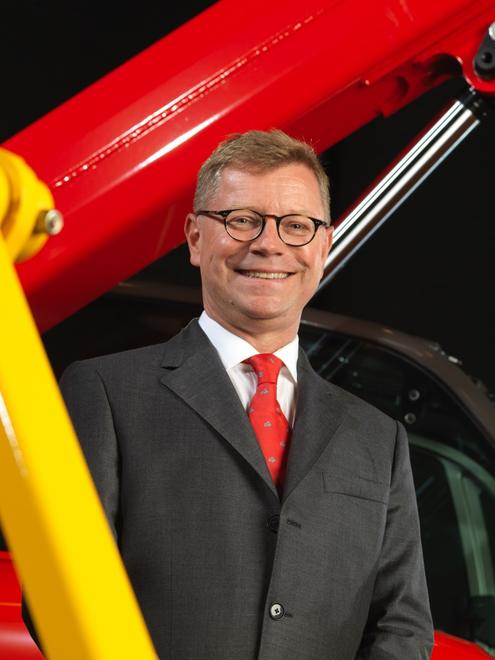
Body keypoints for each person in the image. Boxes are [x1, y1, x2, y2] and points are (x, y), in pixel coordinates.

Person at [25, 129, 433, 658]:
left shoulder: (378, 438)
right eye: (242, 220)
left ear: (323, 247)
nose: (269, 244)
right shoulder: (106, 393)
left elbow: (402, 624)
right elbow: (61, 596)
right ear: (195, 238)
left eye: (296, 225)